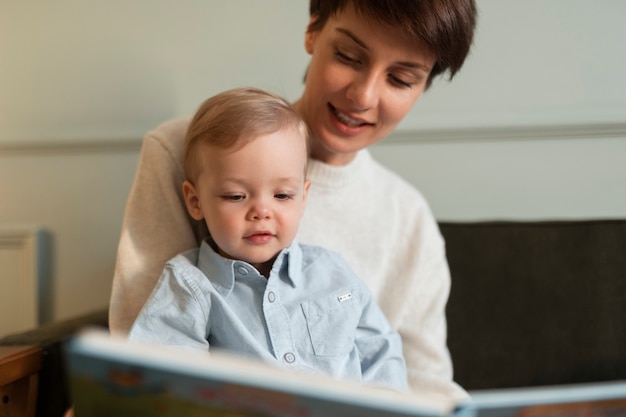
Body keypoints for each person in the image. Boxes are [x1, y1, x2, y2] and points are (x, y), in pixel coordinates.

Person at [110, 0, 477, 401]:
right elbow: (147, 353)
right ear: (313, 31)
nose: (363, 95)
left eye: (401, 79)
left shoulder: (408, 218)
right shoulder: (183, 152)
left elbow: (424, 382)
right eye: (349, 56)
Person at [127, 87, 408, 391]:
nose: (262, 211)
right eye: (235, 196)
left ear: (303, 198)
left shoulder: (332, 272)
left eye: (282, 195)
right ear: (195, 202)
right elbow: (166, 376)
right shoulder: (190, 285)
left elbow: (380, 354)